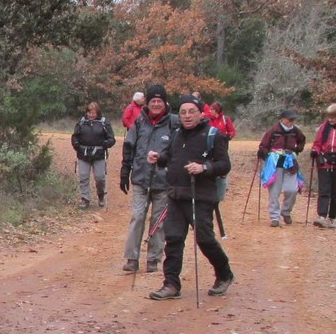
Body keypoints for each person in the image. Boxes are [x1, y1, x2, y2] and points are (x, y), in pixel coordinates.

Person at [146, 94, 233, 300]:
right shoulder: (176, 134)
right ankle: (171, 284)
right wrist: (159, 158)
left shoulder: (213, 135)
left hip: (200, 196)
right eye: (183, 112)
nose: (187, 116)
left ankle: (224, 274)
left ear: (200, 113)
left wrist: (204, 167)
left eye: (191, 112)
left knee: (204, 239)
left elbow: (224, 164)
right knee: (173, 239)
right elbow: (171, 158)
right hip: (176, 195)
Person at [120, 84, 176, 273]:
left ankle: (153, 258)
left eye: (160, 101)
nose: (156, 104)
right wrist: (125, 171)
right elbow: (129, 146)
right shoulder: (139, 122)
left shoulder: (173, 123)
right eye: (153, 101)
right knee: (137, 217)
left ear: (165, 103)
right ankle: (131, 258)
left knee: (158, 221)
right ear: (148, 102)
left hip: (164, 181)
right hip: (141, 179)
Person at [257, 108, 306, 227]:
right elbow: (264, 145)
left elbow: (302, 140)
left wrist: (297, 149)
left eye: (292, 119)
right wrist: (263, 152)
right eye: (289, 119)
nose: (291, 122)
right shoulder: (273, 130)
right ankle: (274, 217)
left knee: (292, 189)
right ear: (282, 119)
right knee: (275, 190)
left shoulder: (295, 130)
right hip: (276, 162)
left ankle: (286, 211)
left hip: (290, 161)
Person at [71, 101, 116, 209]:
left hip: (99, 155)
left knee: (100, 177)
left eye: (93, 113)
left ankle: (101, 195)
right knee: (83, 177)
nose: (91, 115)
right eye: (89, 112)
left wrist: (105, 144)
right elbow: (75, 136)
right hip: (83, 155)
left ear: (98, 113)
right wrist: (76, 144)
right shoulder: (81, 122)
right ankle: (85, 199)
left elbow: (111, 139)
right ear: (86, 112)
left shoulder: (104, 123)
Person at [206, 102, 236, 202]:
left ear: (217, 111)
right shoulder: (208, 119)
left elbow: (232, 131)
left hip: (222, 146)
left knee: (223, 163)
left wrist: (228, 136)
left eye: (212, 109)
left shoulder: (225, 119)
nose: (210, 111)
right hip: (209, 146)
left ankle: (223, 185)